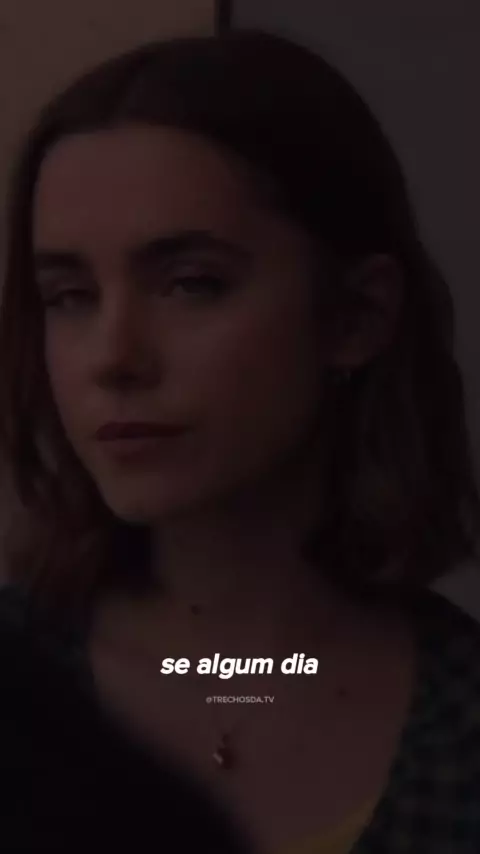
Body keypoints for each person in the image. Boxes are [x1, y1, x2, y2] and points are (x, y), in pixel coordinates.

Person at [0, 27, 479, 854]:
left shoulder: (463, 725)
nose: (114, 357)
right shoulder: (18, 691)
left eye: (192, 284)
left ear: (356, 315)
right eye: (71, 295)